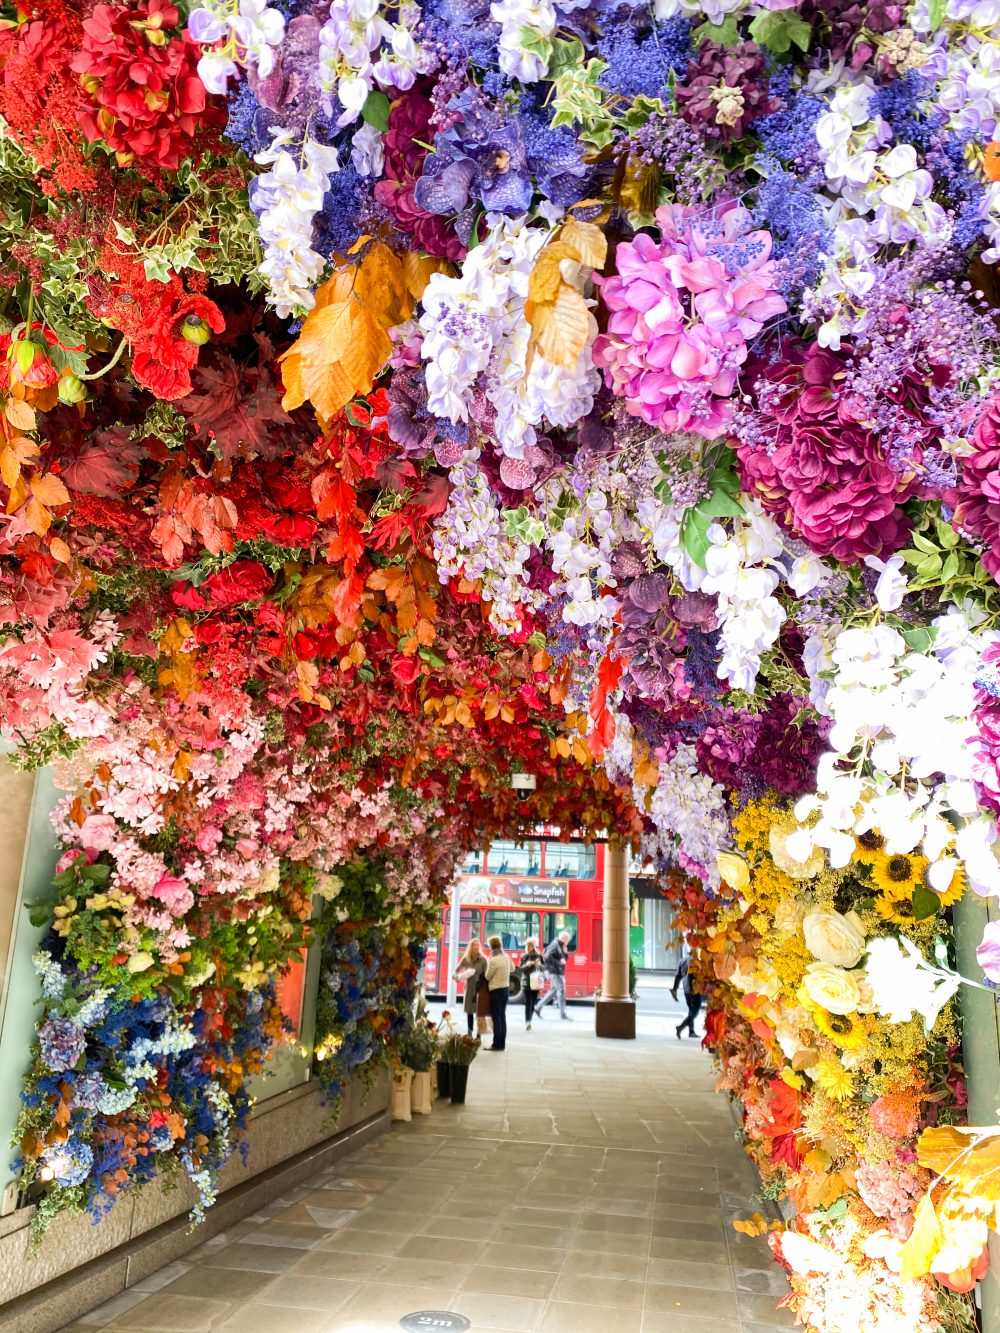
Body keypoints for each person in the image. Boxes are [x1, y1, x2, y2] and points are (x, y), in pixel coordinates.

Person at [454, 938, 487, 1037]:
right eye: (474, 945)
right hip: (469, 988)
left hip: (480, 988)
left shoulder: (483, 959)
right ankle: (469, 1033)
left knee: (479, 1013)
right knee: (469, 1011)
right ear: (471, 947)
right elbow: (456, 970)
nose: (476, 947)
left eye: (478, 945)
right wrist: (456, 977)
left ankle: (479, 1035)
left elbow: (487, 975)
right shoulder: (466, 959)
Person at [485, 934, 512, 1051]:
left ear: (491, 946)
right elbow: (513, 969)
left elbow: (487, 976)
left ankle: (496, 1044)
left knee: (496, 1018)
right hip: (505, 990)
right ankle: (502, 1044)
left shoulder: (493, 960)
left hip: (495, 991)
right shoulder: (506, 957)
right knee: (502, 1017)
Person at [535, 931, 571, 1020]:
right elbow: (547, 958)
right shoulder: (555, 945)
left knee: (554, 991)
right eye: (568, 940)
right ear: (564, 939)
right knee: (561, 990)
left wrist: (565, 953)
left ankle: (538, 1007)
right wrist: (559, 962)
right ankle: (562, 1014)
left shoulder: (559, 946)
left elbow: (562, 959)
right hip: (553, 972)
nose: (568, 942)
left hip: (556, 971)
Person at [675, 954, 703, 1039]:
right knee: (695, 1011)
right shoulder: (695, 961)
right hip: (694, 989)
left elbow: (678, 976)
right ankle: (680, 1027)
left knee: (691, 1011)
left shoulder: (682, 961)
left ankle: (691, 1031)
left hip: (686, 989)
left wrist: (674, 988)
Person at [519, 937, 543, 1031]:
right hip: (526, 982)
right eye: (528, 945)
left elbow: (544, 968)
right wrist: (527, 965)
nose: (528, 947)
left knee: (532, 1002)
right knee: (529, 1002)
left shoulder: (538, 956)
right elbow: (521, 968)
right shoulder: (524, 956)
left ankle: (529, 1020)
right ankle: (527, 1021)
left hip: (536, 981)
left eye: (530, 945)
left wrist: (539, 965)